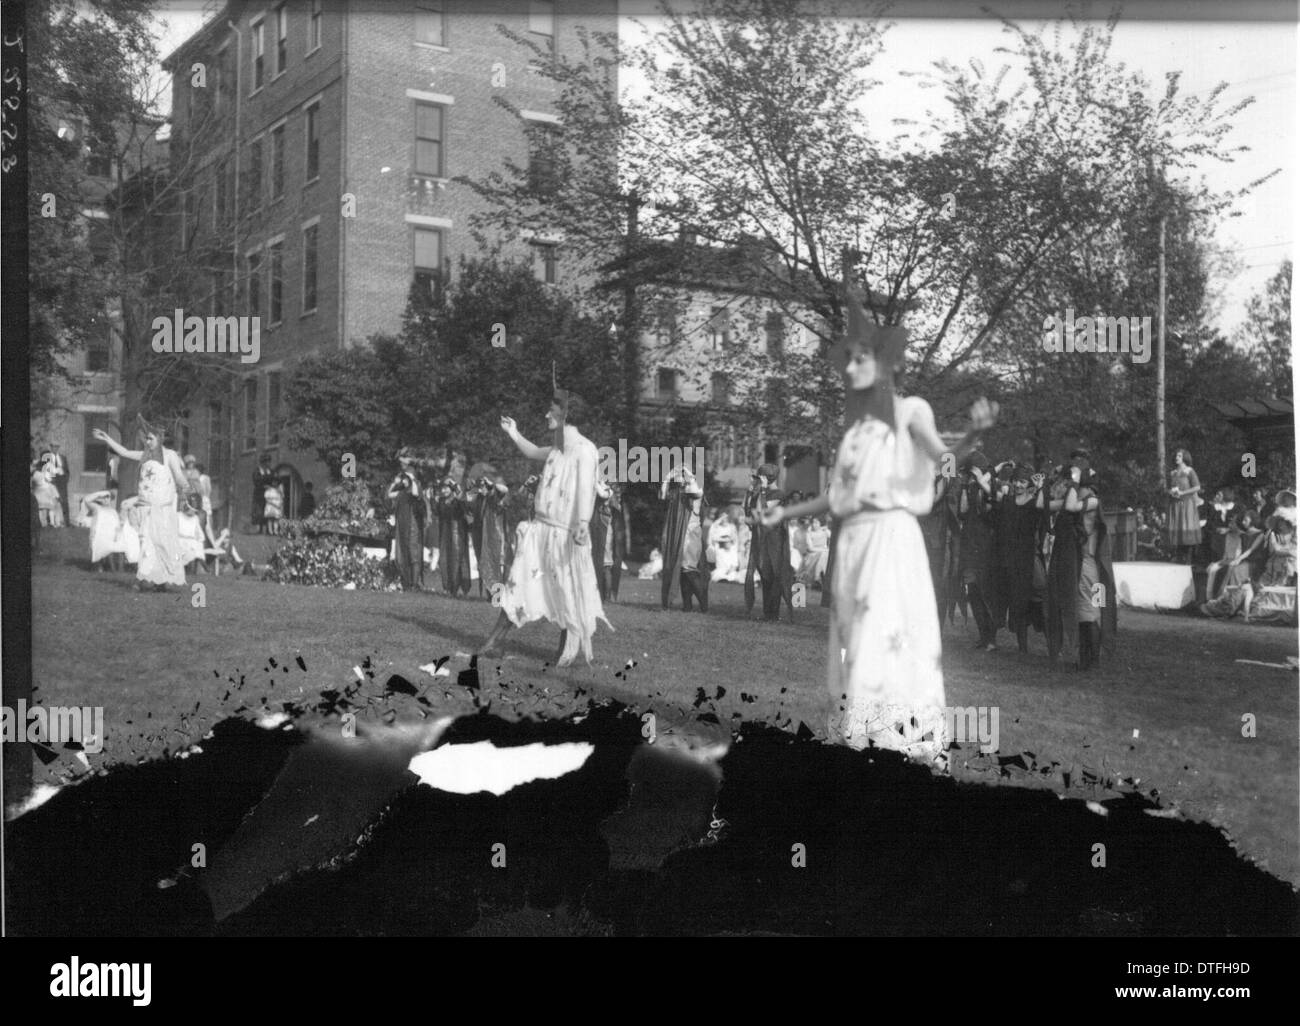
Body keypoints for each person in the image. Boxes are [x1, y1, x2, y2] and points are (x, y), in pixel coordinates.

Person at [762, 282, 997, 763]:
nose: (850, 368)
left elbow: (942, 456)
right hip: (854, 544)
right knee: (853, 641)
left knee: (883, 641)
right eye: (847, 360)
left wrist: (973, 434)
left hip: (891, 540)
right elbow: (838, 496)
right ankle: (859, 740)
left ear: (887, 363)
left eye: (860, 358)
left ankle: (896, 745)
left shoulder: (911, 411)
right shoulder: (855, 432)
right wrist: (785, 511)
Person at [477, 388, 612, 666]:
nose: (546, 414)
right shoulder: (558, 447)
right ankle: (495, 643)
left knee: (568, 591)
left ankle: (569, 652)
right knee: (518, 584)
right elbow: (534, 451)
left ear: (566, 415)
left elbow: (587, 489)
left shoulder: (585, 450)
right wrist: (513, 432)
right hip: (541, 531)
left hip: (565, 534)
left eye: (552, 410)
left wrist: (583, 523)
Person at [93, 418, 192, 591]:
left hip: (162, 509)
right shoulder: (144, 456)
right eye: (146, 439)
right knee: (146, 542)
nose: (147, 442)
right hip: (145, 508)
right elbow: (123, 452)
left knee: (163, 543)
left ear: (160, 439)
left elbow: (179, 476)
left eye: (151, 439)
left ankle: (163, 581)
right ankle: (145, 579)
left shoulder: (170, 456)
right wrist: (107, 438)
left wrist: (187, 492)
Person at [991, 465, 1047, 653]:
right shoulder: (1007, 501)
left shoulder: (1034, 503)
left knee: (1035, 601)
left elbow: (1042, 507)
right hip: (1008, 560)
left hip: (1028, 560)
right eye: (1016, 480)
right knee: (1013, 603)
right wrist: (995, 469)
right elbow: (985, 485)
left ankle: (1051, 644)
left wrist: (1040, 488)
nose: (1018, 484)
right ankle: (1019, 647)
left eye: (1023, 481)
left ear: (1028, 484)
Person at [957, 452, 998, 650]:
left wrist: (980, 481)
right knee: (972, 590)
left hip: (983, 546)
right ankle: (984, 636)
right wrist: (965, 487)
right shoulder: (970, 488)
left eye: (969, 473)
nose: (967, 476)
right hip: (969, 545)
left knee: (984, 591)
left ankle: (991, 638)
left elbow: (989, 510)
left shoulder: (988, 488)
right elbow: (963, 511)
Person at [660, 465, 713, 613]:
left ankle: (704, 605)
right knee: (682, 568)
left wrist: (687, 473)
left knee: (688, 568)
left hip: (690, 532)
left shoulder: (696, 487)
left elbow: (694, 492)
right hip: (679, 533)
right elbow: (663, 496)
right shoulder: (679, 490)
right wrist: (667, 479)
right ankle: (687, 605)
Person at [744, 463, 794, 621]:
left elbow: (762, 511)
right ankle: (768, 613)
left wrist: (763, 490)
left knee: (775, 574)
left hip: (774, 538)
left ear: (768, 478)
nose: (758, 480)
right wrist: (751, 490)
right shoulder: (760, 492)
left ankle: (773, 614)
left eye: (761, 477)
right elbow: (748, 509)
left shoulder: (779, 493)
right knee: (765, 574)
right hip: (762, 537)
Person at [469, 469, 513, 598]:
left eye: (483, 485)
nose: (481, 488)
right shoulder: (479, 499)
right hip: (483, 537)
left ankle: (497, 596)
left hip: (495, 536)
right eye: (480, 485)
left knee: (496, 565)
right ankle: (491, 595)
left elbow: (504, 490)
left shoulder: (494, 497)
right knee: (485, 564)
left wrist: (491, 484)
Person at [387, 449, 426, 591]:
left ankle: (415, 583)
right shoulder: (402, 491)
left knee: (413, 552)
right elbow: (389, 494)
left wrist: (411, 478)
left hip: (413, 524)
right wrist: (395, 483)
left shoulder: (415, 487)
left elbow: (416, 493)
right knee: (402, 551)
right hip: (402, 524)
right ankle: (407, 581)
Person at [435, 476, 472, 596]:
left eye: (446, 488)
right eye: (442, 489)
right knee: (444, 560)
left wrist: (457, 489)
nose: (443, 491)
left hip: (457, 533)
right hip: (445, 534)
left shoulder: (458, 500)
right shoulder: (441, 501)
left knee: (458, 560)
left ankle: (459, 587)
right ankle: (448, 587)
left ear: (451, 489)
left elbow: (465, 505)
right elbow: (437, 512)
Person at [590, 480, 627, 602]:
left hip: (605, 533)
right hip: (602, 532)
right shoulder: (607, 492)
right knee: (603, 565)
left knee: (605, 565)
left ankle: (606, 596)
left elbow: (601, 493)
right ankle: (604, 595)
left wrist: (594, 479)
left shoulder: (608, 492)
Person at [1165, 448, 1202, 563]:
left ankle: (1188, 560)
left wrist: (1183, 493)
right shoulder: (1172, 473)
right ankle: (1179, 558)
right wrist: (1170, 492)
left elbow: (1197, 487)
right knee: (1178, 531)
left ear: (1184, 457)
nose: (1177, 458)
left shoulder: (1189, 471)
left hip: (1187, 505)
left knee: (1187, 530)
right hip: (1175, 504)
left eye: (1179, 456)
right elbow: (1167, 488)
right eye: (1176, 456)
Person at [79, 489, 126, 572]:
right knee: (104, 551)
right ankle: (106, 568)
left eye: (107, 497)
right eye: (103, 498)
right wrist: (100, 493)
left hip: (112, 536)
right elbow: (86, 499)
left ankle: (119, 570)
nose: (105, 500)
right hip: (100, 535)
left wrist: (117, 534)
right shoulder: (97, 508)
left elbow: (117, 524)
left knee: (120, 548)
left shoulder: (113, 511)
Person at [47, 442, 70, 526]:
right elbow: (43, 470)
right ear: (50, 447)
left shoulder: (63, 457)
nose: (55, 449)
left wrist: (65, 479)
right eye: (54, 447)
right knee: (52, 503)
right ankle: (51, 523)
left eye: (57, 447)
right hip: (52, 482)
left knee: (64, 502)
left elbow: (67, 471)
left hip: (62, 482)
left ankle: (67, 522)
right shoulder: (46, 457)